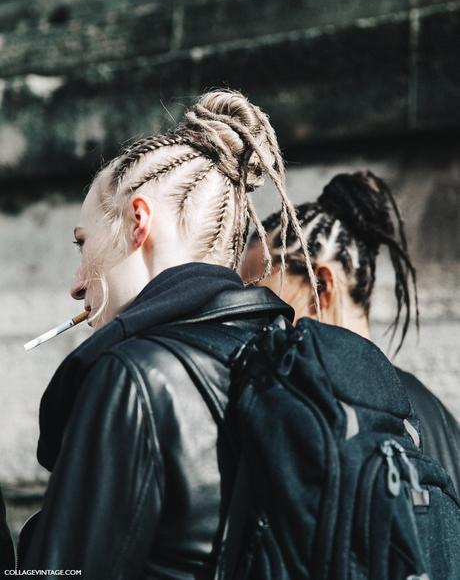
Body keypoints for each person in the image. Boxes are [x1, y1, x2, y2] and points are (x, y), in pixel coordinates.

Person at [18, 90, 315, 578]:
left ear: (139, 222)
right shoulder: (297, 363)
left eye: (82, 243)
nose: (75, 285)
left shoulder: (133, 378)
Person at [241, 170, 460, 495]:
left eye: (266, 302)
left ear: (323, 286)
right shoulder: (437, 415)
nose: (254, 325)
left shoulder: (309, 411)